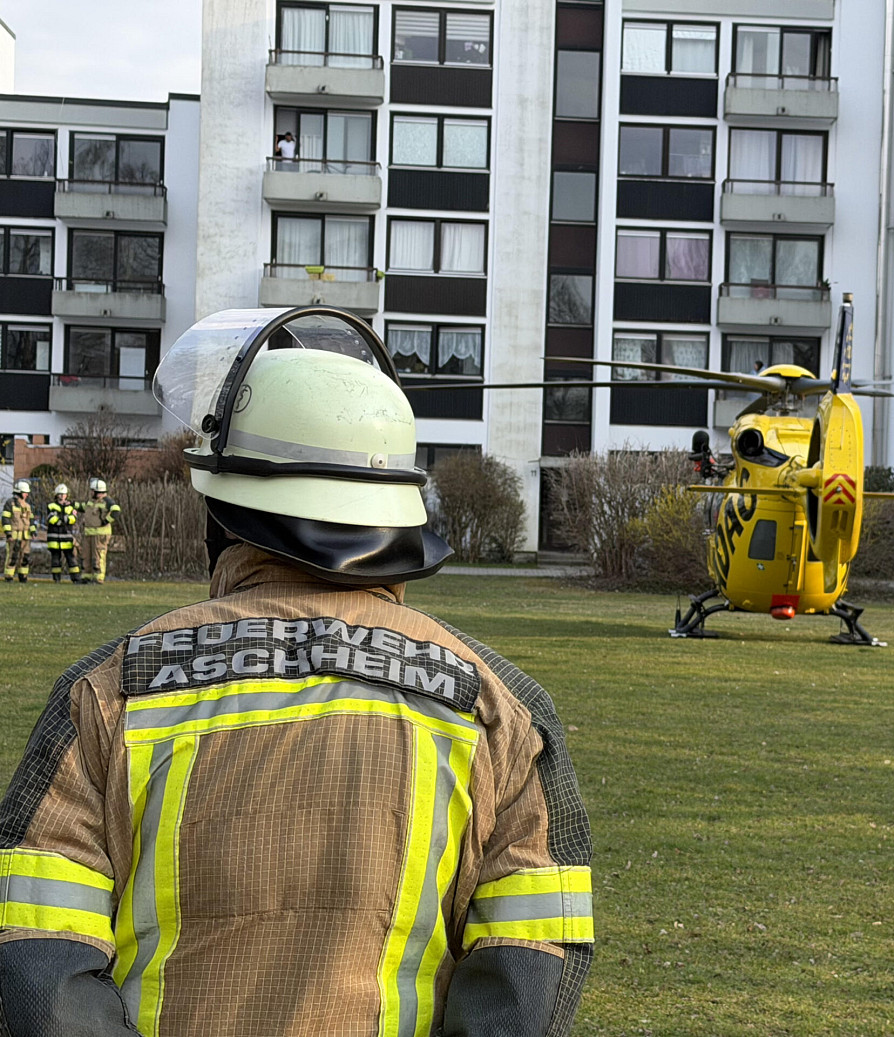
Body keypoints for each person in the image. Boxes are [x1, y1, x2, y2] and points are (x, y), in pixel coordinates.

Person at [0, 309, 594, 1036]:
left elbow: (38, 962)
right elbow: (526, 974)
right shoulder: (500, 711)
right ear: (398, 513)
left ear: (221, 506)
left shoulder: (107, 694)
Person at [76, 477, 121, 584]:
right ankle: (86, 576)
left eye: (92, 491)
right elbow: (83, 507)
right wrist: (71, 504)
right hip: (89, 534)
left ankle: (98, 577)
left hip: (100, 534)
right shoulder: (92, 502)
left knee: (98, 556)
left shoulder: (107, 501)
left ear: (98, 492)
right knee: (86, 555)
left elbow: (116, 510)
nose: (91, 492)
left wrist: (106, 521)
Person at [44, 482, 80, 583]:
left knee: (71, 559)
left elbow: (73, 519)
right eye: (60, 494)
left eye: (63, 494)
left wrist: (60, 518)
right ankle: (57, 579)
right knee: (55, 560)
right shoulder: (50, 506)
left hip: (67, 538)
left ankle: (76, 579)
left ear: (66, 495)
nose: (62, 496)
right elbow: (51, 519)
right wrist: (64, 519)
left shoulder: (71, 507)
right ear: (56, 495)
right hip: (54, 538)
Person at [2, 479, 35, 582]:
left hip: (25, 536)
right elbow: (5, 519)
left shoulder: (27, 506)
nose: (27, 495)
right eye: (25, 493)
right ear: (20, 492)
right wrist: (8, 534)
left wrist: (33, 531)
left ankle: (23, 576)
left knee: (25, 557)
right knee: (13, 556)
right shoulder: (10, 504)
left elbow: (32, 520)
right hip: (14, 536)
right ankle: (9, 577)